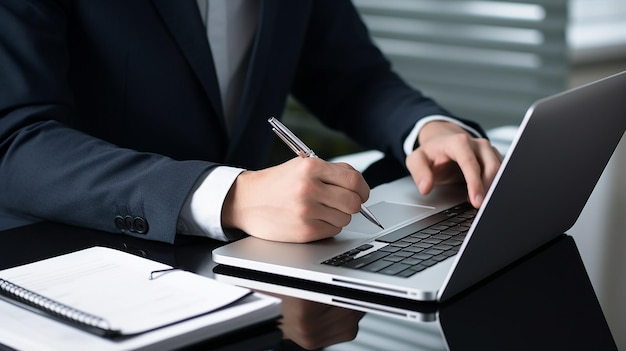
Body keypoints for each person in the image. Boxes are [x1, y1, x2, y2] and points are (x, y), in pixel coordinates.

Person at [0, 1, 502, 244]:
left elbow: (353, 77)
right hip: (65, 259)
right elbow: (14, 139)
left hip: (241, 268)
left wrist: (427, 127)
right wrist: (230, 195)